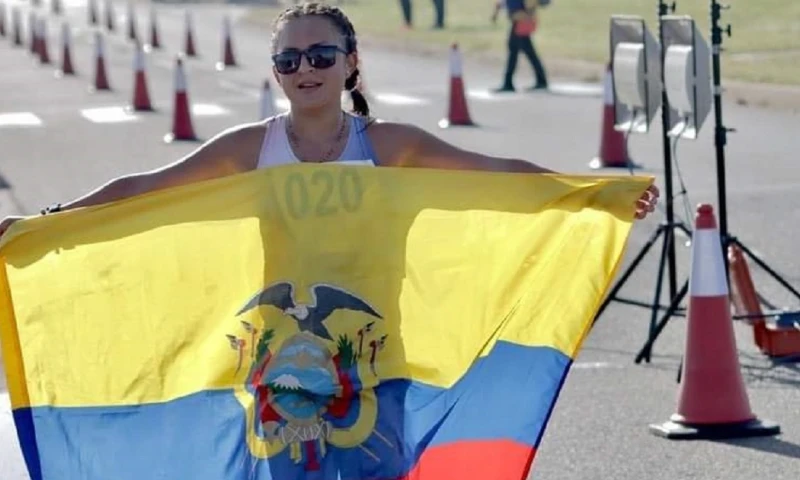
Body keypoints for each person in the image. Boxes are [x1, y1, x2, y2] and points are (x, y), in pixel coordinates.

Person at [0, 1, 657, 239]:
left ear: (350, 64)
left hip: (375, 344)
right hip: (274, 350)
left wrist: (594, 193)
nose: (304, 68)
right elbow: (143, 188)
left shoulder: (389, 144)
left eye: (320, 55)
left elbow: (500, 174)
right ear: (276, 69)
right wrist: (42, 221)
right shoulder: (247, 147)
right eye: (290, 58)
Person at [491, 0, 548, 92]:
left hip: (522, 21)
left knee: (516, 52)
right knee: (524, 52)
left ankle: (508, 83)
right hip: (519, 21)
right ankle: (541, 80)